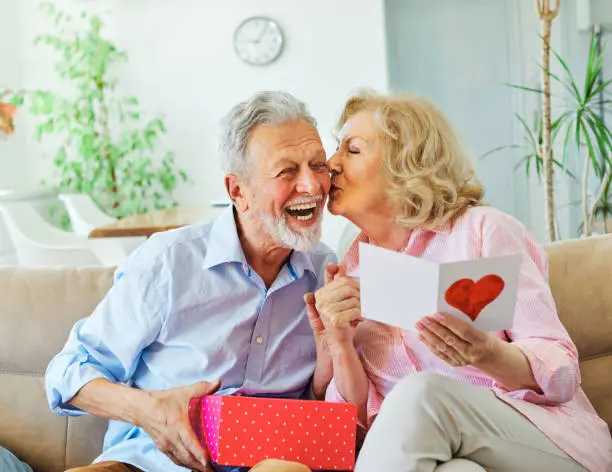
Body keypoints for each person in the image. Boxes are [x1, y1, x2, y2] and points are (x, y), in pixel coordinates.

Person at [308, 92, 612, 472]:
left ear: (406, 164)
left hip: (548, 445)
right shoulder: (351, 273)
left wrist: (489, 355)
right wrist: (339, 345)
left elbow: (562, 369)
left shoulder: (484, 231)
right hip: (450, 454)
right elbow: (363, 431)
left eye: (352, 150)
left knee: (421, 393)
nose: (331, 164)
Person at [45, 91, 334, 472]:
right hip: (145, 464)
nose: (313, 185)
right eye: (287, 171)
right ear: (237, 191)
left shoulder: (326, 273)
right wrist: (150, 410)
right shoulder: (169, 260)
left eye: (318, 165)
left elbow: (331, 402)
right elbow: (67, 372)